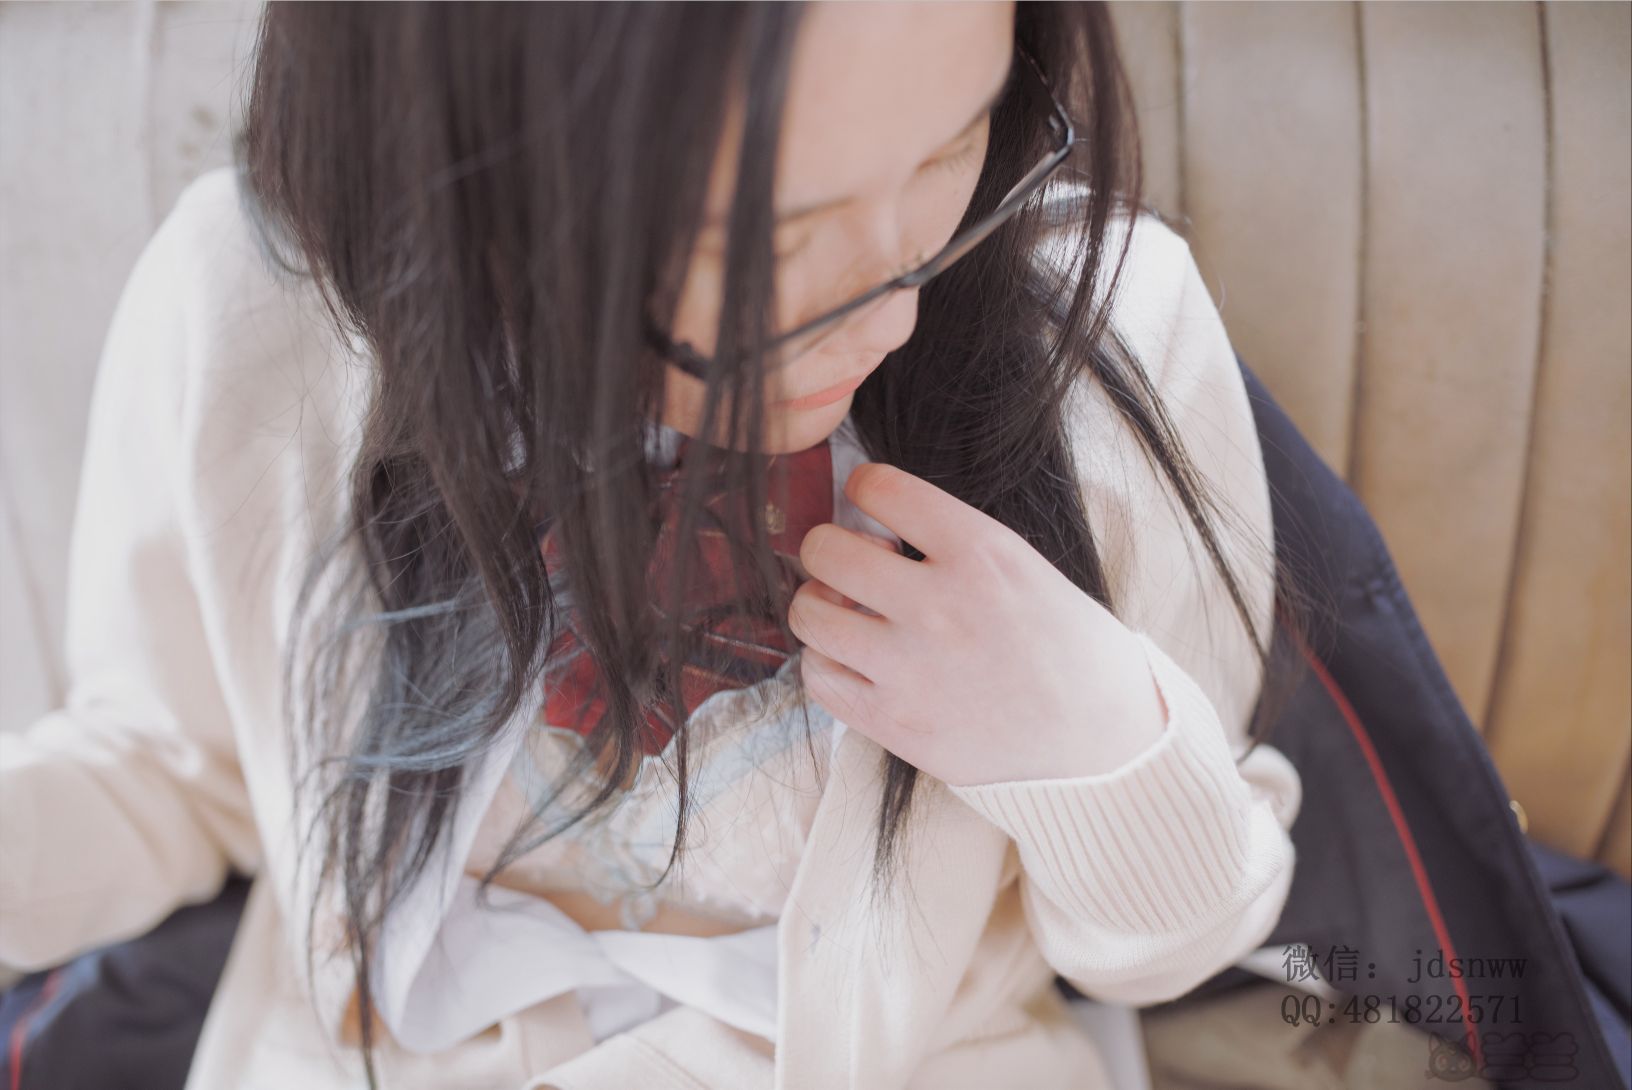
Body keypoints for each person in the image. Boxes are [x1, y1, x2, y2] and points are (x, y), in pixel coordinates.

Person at [0, 3, 1315, 1087]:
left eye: (954, 144)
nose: (896, 306)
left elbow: (1170, 943)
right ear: (479, 180)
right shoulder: (255, 313)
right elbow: (182, 772)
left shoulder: (1098, 342)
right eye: (778, 241)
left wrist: (1090, 744)